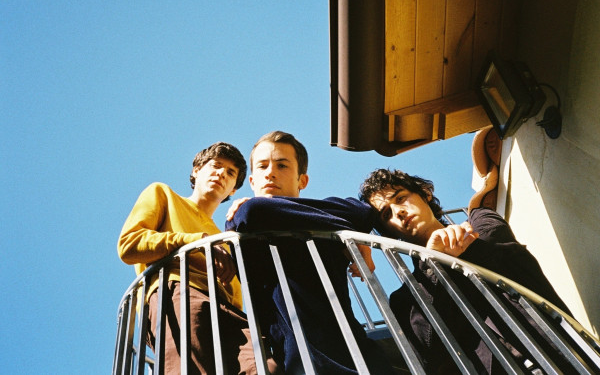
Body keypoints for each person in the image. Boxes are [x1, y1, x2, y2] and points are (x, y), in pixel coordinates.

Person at [359, 168, 571, 374]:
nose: (398, 212)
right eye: (386, 214)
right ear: (388, 232)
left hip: (561, 355)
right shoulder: (405, 300)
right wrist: (432, 264)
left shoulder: (480, 221)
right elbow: (428, 354)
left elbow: (501, 249)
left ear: (425, 194)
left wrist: (448, 256)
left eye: (400, 198)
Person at [225, 131, 391, 374]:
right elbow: (253, 212)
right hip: (304, 359)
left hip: (357, 351)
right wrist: (348, 228)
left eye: (282, 165)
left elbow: (361, 211)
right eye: (262, 166)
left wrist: (352, 232)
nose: (270, 172)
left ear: (302, 181)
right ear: (252, 181)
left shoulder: (325, 214)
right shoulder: (240, 220)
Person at [117, 142, 277, 375]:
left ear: (233, 189)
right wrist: (196, 242)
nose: (221, 173)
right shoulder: (163, 194)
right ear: (196, 170)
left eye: (230, 173)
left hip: (229, 313)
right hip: (180, 293)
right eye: (216, 165)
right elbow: (129, 245)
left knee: (267, 368)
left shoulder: (225, 237)